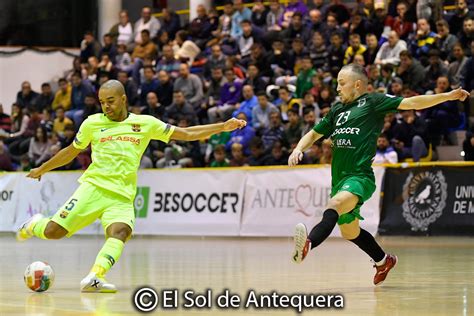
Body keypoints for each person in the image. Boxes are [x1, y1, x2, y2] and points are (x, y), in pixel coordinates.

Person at [17, 79, 246, 293]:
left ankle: (95, 277)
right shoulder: (92, 123)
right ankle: (35, 224)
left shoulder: (144, 123)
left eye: (111, 101)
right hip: (93, 189)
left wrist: (222, 127)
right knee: (53, 232)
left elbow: (185, 134)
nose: (106, 107)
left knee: (121, 232)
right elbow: (71, 151)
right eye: (102, 102)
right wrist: (42, 169)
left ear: (123, 98)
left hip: (122, 196)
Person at [288, 63, 469, 285]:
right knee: (349, 232)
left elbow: (412, 102)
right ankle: (384, 261)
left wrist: (448, 96)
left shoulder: (374, 102)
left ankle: (308, 244)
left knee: (333, 205)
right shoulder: (336, 110)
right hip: (339, 180)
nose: (337, 88)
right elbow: (313, 135)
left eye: (341, 83)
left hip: (359, 177)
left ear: (357, 84)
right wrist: (298, 148)